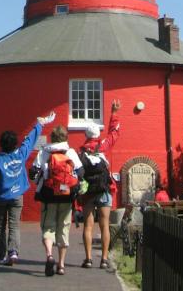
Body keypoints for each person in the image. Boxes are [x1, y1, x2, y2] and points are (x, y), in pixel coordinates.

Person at [0, 111, 56, 266]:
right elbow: (29, 141)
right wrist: (40, 124)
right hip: (17, 195)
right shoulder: (20, 154)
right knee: (14, 224)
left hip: (0, 196)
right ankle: (13, 252)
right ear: (14, 144)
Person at [32, 124, 83, 276]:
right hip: (67, 195)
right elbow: (81, 172)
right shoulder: (70, 152)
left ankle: (49, 255)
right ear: (65, 138)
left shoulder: (44, 152)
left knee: (48, 227)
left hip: (49, 195)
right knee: (64, 228)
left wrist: (40, 180)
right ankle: (61, 265)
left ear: (52, 138)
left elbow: (32, 172)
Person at [79, 99, 121, 270]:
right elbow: (114, 133)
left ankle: (88, 259)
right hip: (104, 190)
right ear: (97, 135)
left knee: (88, 226)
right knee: (104, 225)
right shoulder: (103, 146)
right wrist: (114, 113)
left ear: (86, 135)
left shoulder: (81, 152)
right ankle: (104, 259)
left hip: (88, 192)